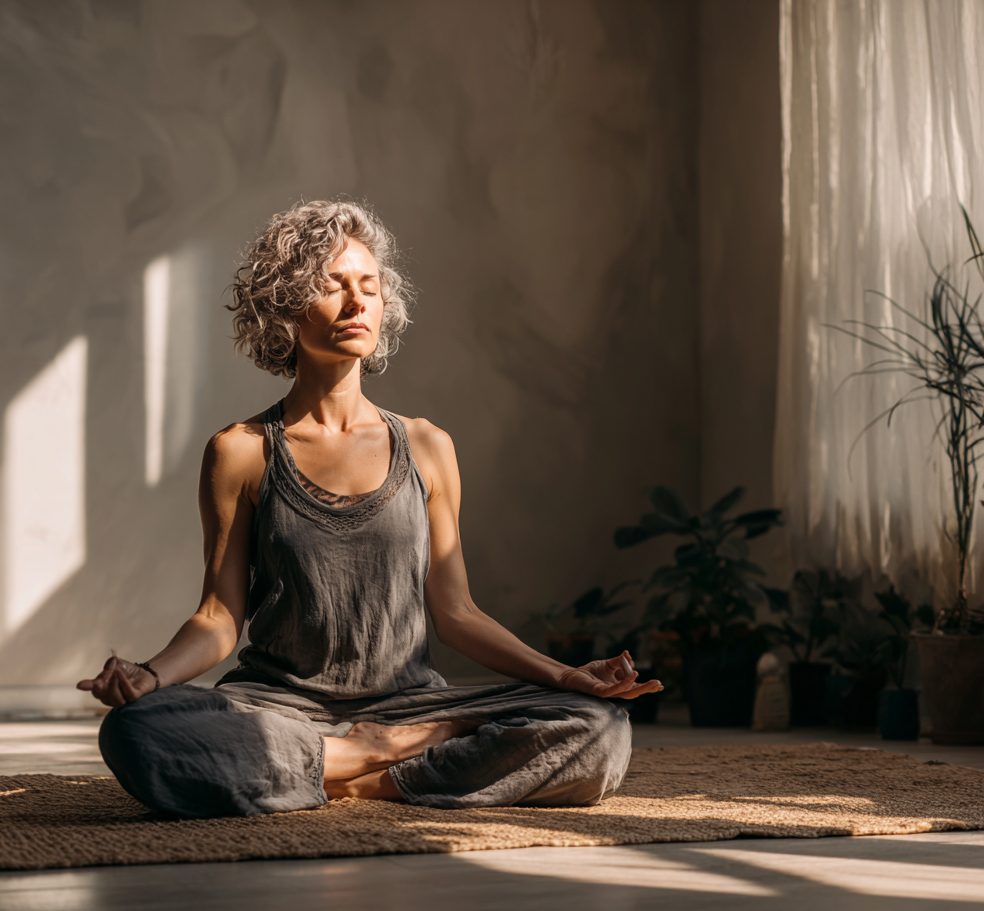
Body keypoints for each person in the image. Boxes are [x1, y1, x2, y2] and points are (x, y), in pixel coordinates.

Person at [77, 200, 662, 818]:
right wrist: (150, 675)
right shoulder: (241, 452)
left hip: (410, 708)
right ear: (283, 309)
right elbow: (220, 615)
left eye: (371, 287)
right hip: (279, 707)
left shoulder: (428, 447)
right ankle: (367, 760)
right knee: (136, 730)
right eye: (332, 287)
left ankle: (351, 773)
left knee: (600, 726)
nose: (359, 304)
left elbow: (457, 613)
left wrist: (567, 677)